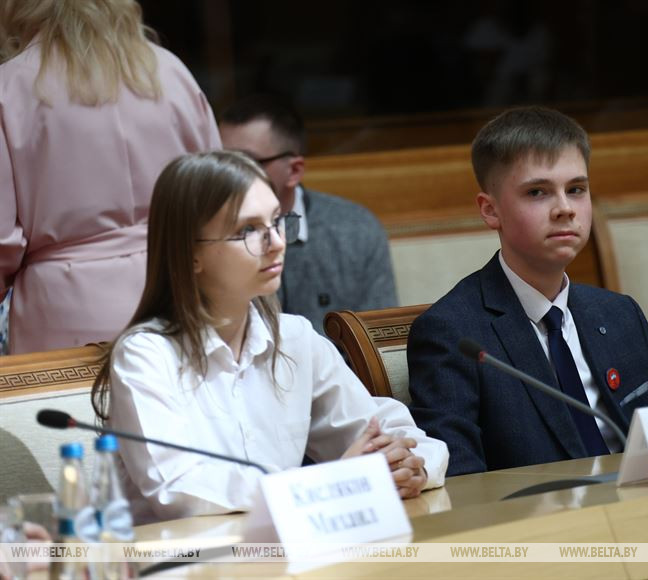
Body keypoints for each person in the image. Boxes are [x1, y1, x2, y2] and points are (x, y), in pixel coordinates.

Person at [90, 151, 447, 523]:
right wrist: (333, 481)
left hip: (284, 545)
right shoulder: (145, 355)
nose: (276, 242)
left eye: (277, 221)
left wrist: (411, 466)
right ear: (191, 253)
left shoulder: (294, 337)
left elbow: (379, 428)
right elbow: (180, 492)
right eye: (248, 230)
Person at [407, 107, 648, 476]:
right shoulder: (453, 334)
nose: (565, 209)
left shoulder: (619, 314)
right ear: (490, 210)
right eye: (537, 192)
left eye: (576, 190)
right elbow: (460, 478)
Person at [0, 0, 222, 354]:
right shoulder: (169, 70)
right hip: (176, 289)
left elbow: (2, 239)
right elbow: (216, 194)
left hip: (64, 305)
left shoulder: (10, 85)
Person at [218, 95, 397, 335]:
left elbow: (377, 338)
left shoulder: (355, 229)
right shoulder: (211, 237)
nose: (228, 175)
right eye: (221, 160)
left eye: (246, 162)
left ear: (294, 170)